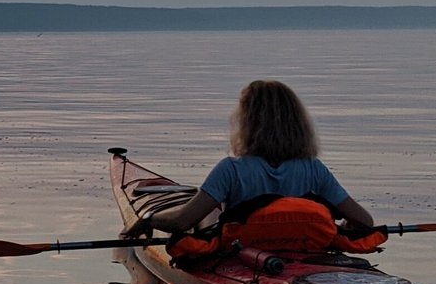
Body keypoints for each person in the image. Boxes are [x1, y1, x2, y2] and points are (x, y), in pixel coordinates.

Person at [124, 80, 374, 239]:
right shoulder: (315, 170)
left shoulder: (231, 170)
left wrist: (148, 219)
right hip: (305, 257)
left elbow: (182, 221)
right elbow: (364, 221)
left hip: (245, 260)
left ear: (248, 123)